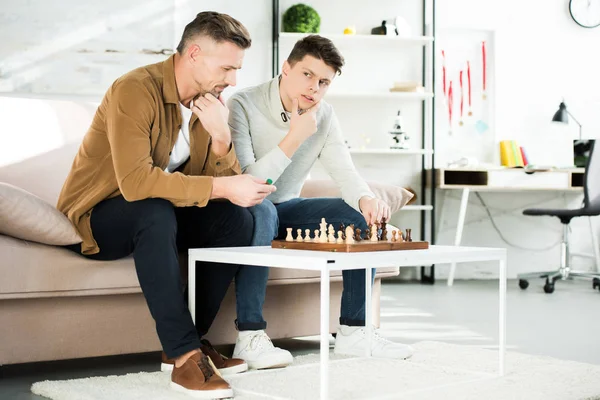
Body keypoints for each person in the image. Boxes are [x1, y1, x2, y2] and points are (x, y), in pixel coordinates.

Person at [58, 11, 276, 399]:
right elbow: (136, 183)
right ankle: (184, 356)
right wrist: (223, 185)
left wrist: (223, 140)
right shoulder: (134, 90)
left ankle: (192, 342)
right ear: (194, 54)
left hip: (160, 213)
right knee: (153, 209)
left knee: (235, 221)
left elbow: (209, 186)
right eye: (227, 67)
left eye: (237, 69)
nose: (234, 79)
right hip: (98, 215)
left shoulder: (208, 105)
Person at [228, 35, 414, 367]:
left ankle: (354, 332)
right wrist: (296, 135)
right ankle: (249, 336)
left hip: (287, 208)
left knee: (358, 218)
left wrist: (366, 199)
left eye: (324, 81)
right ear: (286, 68)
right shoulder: (243, 103)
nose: (314, 87)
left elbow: (344, 169)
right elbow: (251, 180)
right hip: (248, 207)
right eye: (307, 74)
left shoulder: (324, 115)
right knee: (264, 209)